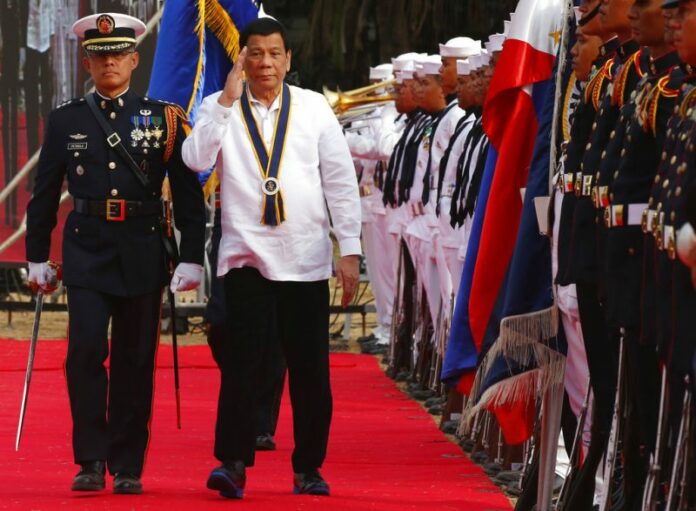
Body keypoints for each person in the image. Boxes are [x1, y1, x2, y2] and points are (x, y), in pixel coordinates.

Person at [25, 12, 206, 494]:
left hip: (143, 248)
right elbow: (44, 193)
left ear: (133, 59)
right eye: (99, 56)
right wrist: (37, 255)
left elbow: (189, 195)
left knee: (134, 357)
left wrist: (191, 255)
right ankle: (89, 459)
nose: (108, 64)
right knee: (85, 351)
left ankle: (127, 463)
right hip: (86, 246)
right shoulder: (67, 119)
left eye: (117, 56)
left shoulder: (164, 119)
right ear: (88, 62)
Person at [181, 17, 361, 499]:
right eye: (254, 53)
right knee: (241, 365)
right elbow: (195, 160)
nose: (264, 63)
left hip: (304, 258)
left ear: (288, 60)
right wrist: (224, 101)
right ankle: (233, 463)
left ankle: (308, 468)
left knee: (309, 369)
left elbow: (340, 182)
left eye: (274, 53)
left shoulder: (314, 108)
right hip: (245, 258)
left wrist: (350, 250)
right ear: (242, 58)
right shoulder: (220, 107)